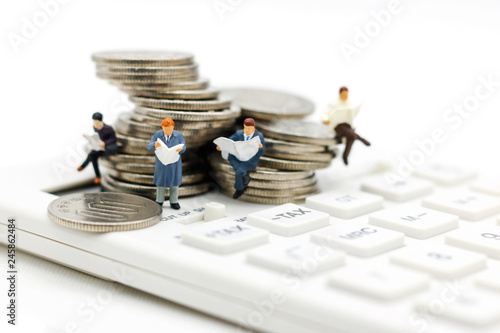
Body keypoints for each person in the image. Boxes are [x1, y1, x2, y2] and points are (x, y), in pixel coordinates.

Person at [216, 118, 265, 199]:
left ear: (253, 128)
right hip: (238, 156)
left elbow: (262, 152)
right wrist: (221, 146)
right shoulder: (239, 133)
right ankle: (244, 177)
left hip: (250, 159)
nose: (246, 130)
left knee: (239, 171)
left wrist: (259, 147)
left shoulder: (259, 137)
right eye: (245, 128)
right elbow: (229, 141)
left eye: (249, 129)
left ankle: (239, 189)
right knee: (230, 156)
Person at [322, 86, 371, 165]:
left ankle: (357, 141)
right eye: (343, 94)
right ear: (340, 94)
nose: (345, 96)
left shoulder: (349, 104)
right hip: (338, 126)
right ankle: (347, 154)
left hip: (347, 126)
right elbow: (326, 113)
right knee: (352, 136)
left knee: (352, 136)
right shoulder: (333, 104)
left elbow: (353, 113)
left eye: (346, 95)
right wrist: (325, 119)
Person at [147, 117, 186, 210]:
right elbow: (149, 147)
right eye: (166, 129)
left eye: (170, 129)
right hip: (161, 163)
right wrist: (154, 145)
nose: (168, 131)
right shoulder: (157, 135)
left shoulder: (179, 135)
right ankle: (159, 200)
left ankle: (174, 201)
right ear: (162, 127)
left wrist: (181, 149)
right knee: (160, 182)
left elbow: (184, 145)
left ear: (173, 127)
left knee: (174, 183)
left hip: (174, 163)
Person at [78, 112, 118, 184]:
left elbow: (113, 139)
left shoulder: (108, 128)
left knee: (92, 156)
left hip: (106, 148)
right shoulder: (94, 128)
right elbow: (97, 137)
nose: (95, 124)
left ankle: (87, 168)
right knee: (92, 156)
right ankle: (97, 175)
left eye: (96, 122)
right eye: (93, 122)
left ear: (100, 121)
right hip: (98, 146)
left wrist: (105, 143)